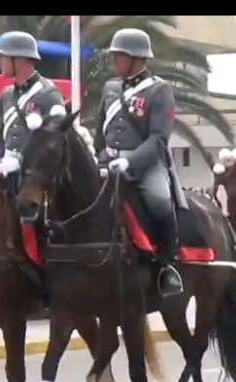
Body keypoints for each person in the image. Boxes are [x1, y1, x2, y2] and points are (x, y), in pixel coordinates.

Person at [93, 28, 185, 298]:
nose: (114, 61)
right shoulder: (110, 88)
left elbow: (158, 139)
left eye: (118, 56)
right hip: (108, 161)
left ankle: (168, 265)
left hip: (144, 165)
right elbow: (100, 132)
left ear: (135, 58)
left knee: (159, 201)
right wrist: (100, 156)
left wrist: (129, 162)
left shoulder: (159, 91)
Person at [0, 31, 67, 175]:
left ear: (18, 59)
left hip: (33, 176)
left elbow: (57, 142)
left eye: (2, 57)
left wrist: (21, 163)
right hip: (4, 171)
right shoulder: (6, 94)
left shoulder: (48, 93)